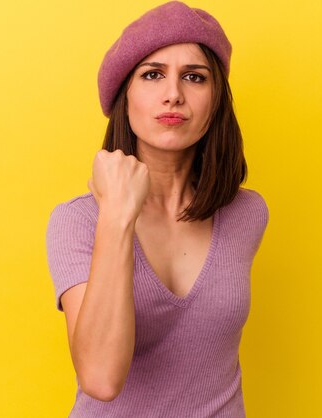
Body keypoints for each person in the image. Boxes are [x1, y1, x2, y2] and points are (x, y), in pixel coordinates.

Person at [46, 2, 269, 416]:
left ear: (216, 98)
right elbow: (99, 377)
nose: (173, 94)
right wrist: (116, 216)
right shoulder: (77, 221)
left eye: (194, 77)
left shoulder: (246, 213)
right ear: (123, 97)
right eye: (152, 75)